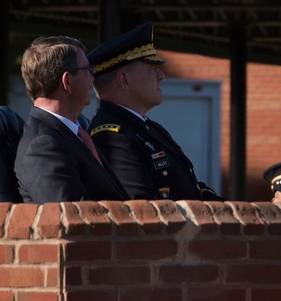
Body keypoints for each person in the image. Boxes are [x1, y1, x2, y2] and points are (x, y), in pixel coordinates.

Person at [86, 22, 223, 201]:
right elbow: (142, 213)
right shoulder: (112, 137)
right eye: (152, 69)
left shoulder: (149, 128)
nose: (161, 76)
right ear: (124, 80)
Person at [14, 36, 129, 203]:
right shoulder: (43, 146)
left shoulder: (73, 133)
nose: (92, 78)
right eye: (88, 70)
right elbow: (72, 219)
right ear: (67, 81)